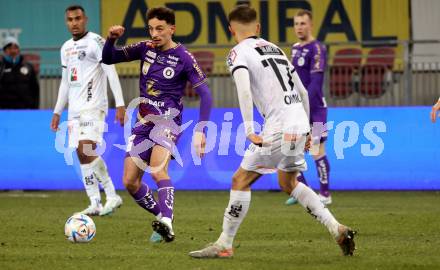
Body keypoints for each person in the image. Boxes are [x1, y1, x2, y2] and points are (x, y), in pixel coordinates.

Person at [188, 5, 355, 259]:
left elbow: (243, 89)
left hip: (277, 128)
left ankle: (225, 243)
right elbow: (300, 90)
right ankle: (336, 228)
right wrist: (309, 129)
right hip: (299, 122)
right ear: (258, 28)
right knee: (288, 182)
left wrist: (249, 129)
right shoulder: (276, 49)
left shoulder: (237, 53)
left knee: (240, 180)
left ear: (231, 30)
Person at [102, 6, 212, 243]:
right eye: (151, 28)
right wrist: (111, 39)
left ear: (172, 29)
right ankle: (162, 215)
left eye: (160, 28)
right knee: (130, 182)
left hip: (168, 123)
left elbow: (206, 95)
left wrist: (201, 130)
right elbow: (108, 58)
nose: (154, 33)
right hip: (143, 123)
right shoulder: (145, 48)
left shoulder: (183, 57)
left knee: (158, 170)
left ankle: (167, 223)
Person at [50, 5, 126, 216]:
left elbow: (111, 72)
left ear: (85, 19)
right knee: (81, 154)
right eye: (70, 19)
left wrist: (120, 104)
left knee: (86, 149)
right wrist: (57, 111)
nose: (74, 23)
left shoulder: (96, 42)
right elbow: (65, 83)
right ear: (66, 22)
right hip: (74, 109)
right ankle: (95, 201)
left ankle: (112, 195)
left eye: (78, 18)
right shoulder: (65, 48)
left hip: (94, 106)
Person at [286, 9, 332, 206]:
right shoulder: (295, 48)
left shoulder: (317, 48)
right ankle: (303, 192)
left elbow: (316, 82)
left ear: (311, 25)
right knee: (292, 151)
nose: (299, 27)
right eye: (296, 24)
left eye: (303, 23)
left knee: (316, 150)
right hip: (298, 108)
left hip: (316, 110)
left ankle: (325, 193)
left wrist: (304, 103)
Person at [0, 36, 40, 109]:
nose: (13, 51)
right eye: (10, 48)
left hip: (25, 109)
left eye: (15, 48)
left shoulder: (28, 67)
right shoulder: (1, 67)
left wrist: (35, 108)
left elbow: (35, 90)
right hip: (5, 110)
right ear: (4, 51)